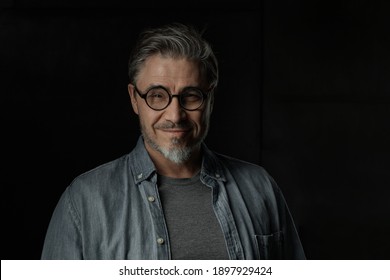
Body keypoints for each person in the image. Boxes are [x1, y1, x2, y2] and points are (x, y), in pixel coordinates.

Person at [41, 22, 306, 260]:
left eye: (190, 96)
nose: (175, 115)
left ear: (210, 99)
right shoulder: (84, 201)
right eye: (157, 95)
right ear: (135, 98)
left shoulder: (259, 188)